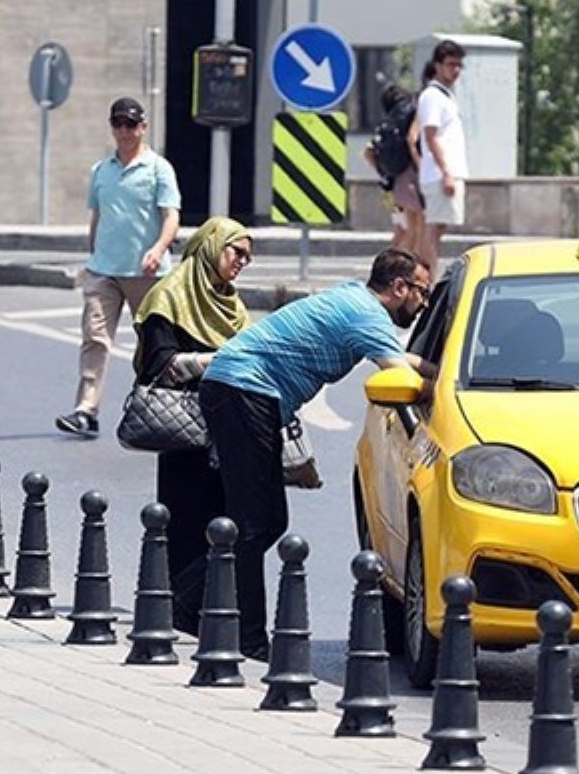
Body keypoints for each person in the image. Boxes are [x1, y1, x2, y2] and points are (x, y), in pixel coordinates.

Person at [199, 248, 438, 660]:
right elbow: (400, 374)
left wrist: (442, 370)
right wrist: (449, 390)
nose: (425, 304)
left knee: (266, 520)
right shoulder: (366, 315)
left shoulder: (358, 301)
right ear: (400, 287)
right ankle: (245, 637)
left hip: (243, 392)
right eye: (423, 292)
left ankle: (189, 602)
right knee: (254, 523)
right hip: (244, 391)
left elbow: (404, 358)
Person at [130, 217, 253, 636]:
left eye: (248, 257)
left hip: (226, 427)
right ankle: (176, 607)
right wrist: (215, 362)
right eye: (237, 252)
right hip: (183, 429)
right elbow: (158, 364)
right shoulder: (168, 296)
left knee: (226, 517)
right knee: (184, 518)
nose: (242, 262)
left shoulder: (231, 305)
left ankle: (206, 605)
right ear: (211, 246)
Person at [56, 98, 182, 438]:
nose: (124, 131)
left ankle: (157, 407)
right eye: (118, 124)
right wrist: (93, 254)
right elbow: (97, 215)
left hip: (147, 274)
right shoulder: (101, 170)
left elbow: (171, 216)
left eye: (130, 124)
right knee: (94, 337)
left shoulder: (158, 169)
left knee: (154, 343)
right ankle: (86, 411)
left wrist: (158, 248)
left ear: (143, 127)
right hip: (104, 271)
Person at [417, 40, 468, 273]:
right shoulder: (432, 96)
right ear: (438, 65)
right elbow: (431, 136)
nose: (455, 70)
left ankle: (427, 277)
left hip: (447, 171)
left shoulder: (446, 95)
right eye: (450, 64)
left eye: (459, 65)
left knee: (439, 228)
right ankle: (427, 280)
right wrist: (446, 172)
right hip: (440, 173)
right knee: (433, 228)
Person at [363, 83, 423, 253]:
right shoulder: (405, 121)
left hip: (388, 187)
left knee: (399, 229)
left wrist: (382, 171)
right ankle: (397, 263)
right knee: (412, 230)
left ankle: (389, 259)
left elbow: (368, 153)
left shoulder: (386, 124)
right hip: (405, 184)